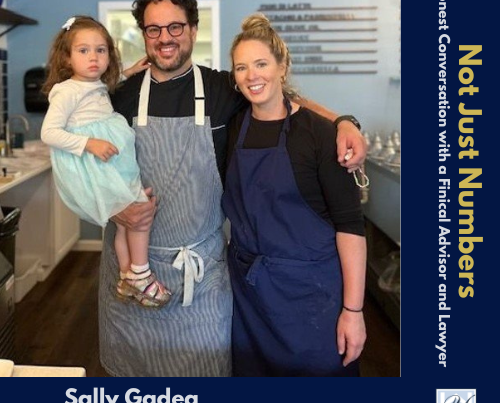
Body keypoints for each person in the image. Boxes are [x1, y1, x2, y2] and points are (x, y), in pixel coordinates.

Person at [101, 0, 367, 377]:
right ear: (143, 34)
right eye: (153, 29)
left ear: (193, 30)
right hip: (135, 273)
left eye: (175, 27)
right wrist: (112, 206)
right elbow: (78, 160)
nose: (165, 38)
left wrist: (343, 121)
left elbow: (280, 97)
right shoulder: (118, 95)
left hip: (203, 274)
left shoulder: (222, 88)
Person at [222, 14, 367, 376]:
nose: (252, 76)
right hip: (250, 296)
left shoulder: (318, 134)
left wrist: (353, 311)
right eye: (241, 68)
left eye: (261, 64)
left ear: (282, 67)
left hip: (310, 297)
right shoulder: (236, 122)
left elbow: (350, 226)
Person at [41, 16, 171, 308]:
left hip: (112, 160)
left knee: (125, 224)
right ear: (67, 57)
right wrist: (90, 144)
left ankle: (126, 276)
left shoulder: (92, 84)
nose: (94, 57)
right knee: (138, 214)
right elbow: (48, 132)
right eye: (84, 50)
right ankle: (141, 272)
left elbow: (99, 90)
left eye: (101, 50)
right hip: (97, 164)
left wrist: (129, 72)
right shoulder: (67, 91)